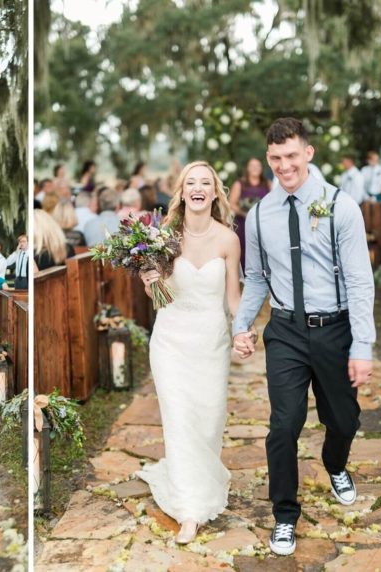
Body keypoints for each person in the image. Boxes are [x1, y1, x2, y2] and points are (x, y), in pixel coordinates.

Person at [232, 118, 374, 557]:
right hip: (287, 330)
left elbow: (359, 279)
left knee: (344, 420)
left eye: (291, 155)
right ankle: (284, 516)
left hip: (335, 329)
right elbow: (255, 277)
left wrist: (362, 345)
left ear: (308, 153)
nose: (283, 165)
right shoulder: (258, 215)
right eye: (275, 158)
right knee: (283, 425)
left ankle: (335, 465)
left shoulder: (341, 206)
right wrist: (242, 325)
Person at [137, 161, 242, 546]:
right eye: (190, 183)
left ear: (215, 193)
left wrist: (244, 331)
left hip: (211, 342)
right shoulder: (164, 236)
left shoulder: (229, 240)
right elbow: (158, 295)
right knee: (179, 420)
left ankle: (203, 477)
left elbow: (233, 300)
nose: (198, 188)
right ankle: (189, 510)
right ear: (181, 193)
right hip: (171, 342)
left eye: (206, 183)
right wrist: (150, 281)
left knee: (209, 420)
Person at [229, 158, 272, 271]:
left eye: (257, 166)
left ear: (261, 168)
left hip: (262, 224)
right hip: (243, 223)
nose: (255, 168)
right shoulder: (239, 184)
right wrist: (244, 213)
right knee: (244, 248)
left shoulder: (267, 184)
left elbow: (273, 202)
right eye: (252, 166)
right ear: (247, 168)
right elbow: (231, 203)